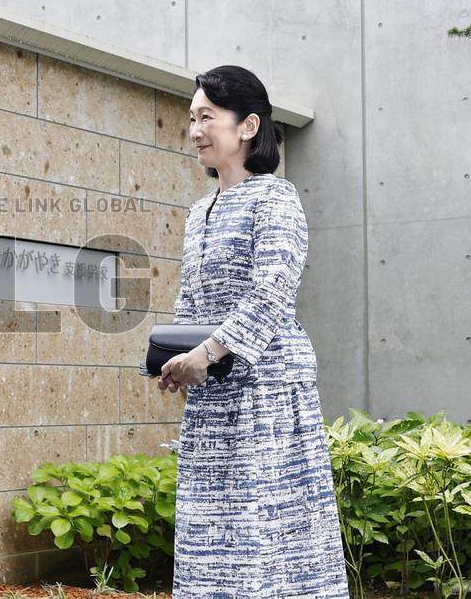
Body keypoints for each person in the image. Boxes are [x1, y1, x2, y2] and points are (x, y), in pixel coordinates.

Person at [157, 65, 349, 598]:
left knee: (270, 532)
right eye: (191, 118)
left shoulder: (276, 198)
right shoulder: (200, 212)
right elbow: (191, 298)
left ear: (247, 126)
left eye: (207, 117)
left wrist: (211, 350)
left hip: (268, 387)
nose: (195, 129)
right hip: (213, 392)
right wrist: (173, 357)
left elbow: (272, 290)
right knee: (210, 532)